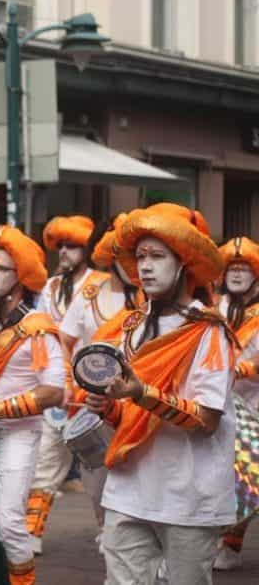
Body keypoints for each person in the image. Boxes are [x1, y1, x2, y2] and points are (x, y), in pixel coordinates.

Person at [85, 203, 235, 585]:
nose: (145, 266)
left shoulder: (208, 331)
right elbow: (131, 418)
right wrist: (108, 408)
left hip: (188, 498)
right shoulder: (131, 327)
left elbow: (206, 421)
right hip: (128, 490)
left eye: (157, 256)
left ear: (182, 263)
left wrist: (141, 394)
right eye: (140, 257)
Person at [0, 225, 66, 585]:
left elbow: (54, 392)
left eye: (1, 269)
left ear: (20, 277)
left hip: (17, 435)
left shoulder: (38, 327)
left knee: (8, 524)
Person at [59, 214, 141, 537]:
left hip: (135, 407)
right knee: (99, 492)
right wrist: (69, 382)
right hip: (91, 407)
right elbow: (64, 342)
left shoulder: (150, 300)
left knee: (135, 489)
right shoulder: (89, 295)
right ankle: (113, 545)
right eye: (123, 253)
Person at [26, 214, 99, 554]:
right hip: (54, 388)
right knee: (45, 464)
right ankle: (31, 534)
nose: (65, 252)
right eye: (61, 246)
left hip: (94, 393)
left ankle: (110, 532)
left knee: (98, 473)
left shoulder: (99, 285)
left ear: (87, 250)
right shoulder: (51, 287)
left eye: (73, 246)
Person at [213, 236, 259, 571]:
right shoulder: (214, 308)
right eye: (233, 267)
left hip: (255, 405)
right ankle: (222, 540)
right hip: (220, 404)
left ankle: (231, 543)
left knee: (248, 476)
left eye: (244, 268)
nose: (238, 273)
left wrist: (240, 369)